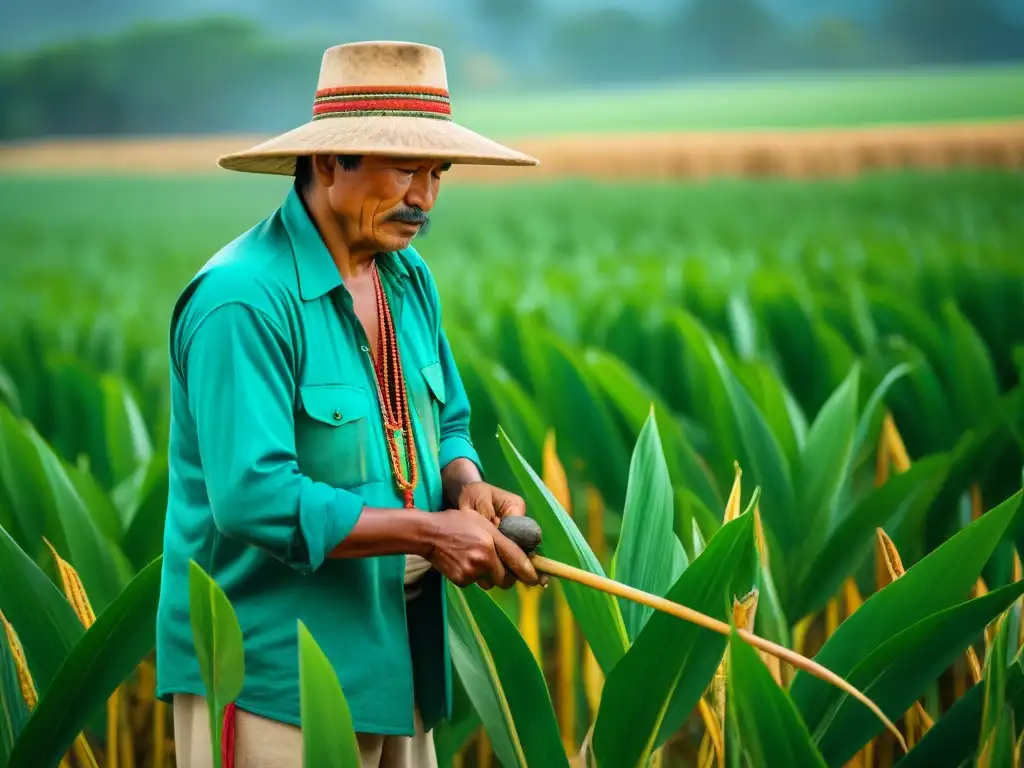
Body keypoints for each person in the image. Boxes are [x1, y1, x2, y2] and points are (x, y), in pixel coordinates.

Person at [155, 40, 542, 767]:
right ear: (331, 162)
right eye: (405, 169)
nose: (424, 197)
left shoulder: (406, 275)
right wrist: (431, 534)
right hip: (274, 675)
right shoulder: (243, 300)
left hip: (398, 653)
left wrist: (464, 482)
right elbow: (254, 498)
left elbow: (447, 421)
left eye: (437, 172)